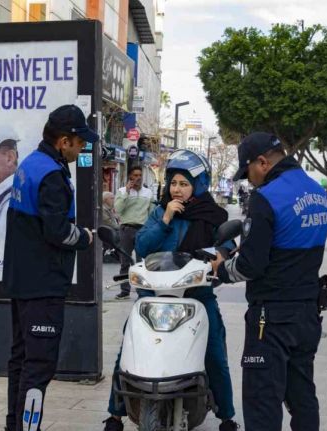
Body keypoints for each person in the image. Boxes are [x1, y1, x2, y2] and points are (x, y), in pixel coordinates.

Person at [103, 150, 239, 431]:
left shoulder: (213, 215)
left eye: (184, 184)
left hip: (195, 295)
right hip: (154, 295)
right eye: (173, 183)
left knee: (214, 351)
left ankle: (227, 415)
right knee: (127, 347)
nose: (177, 189)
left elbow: (225, 246)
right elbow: (143, 246)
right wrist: (165, 219)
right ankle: (115, 413)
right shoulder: (158, 211)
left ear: (198, 186)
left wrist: (220, 258)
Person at [211, 132, 327, 431]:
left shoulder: (266, 198)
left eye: (248, 172)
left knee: (262, 400)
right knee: (302, 395)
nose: (249, 181)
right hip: (307, 313)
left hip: (272, 318)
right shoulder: (317, 192)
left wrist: (221, 270)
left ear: (262, 162)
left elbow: (252, 265)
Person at [2, 105, 97, 431]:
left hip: (22, 281)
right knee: (39, 366)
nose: (82, 147)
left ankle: (14, 425)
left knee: (22, 360)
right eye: (80, 141)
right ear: (64, 141)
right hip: (43, 285)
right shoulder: (52, 175)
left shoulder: (32, 163)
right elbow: (57, 232)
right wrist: (85, 237)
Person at [114, 165, 155, 299]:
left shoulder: (148, 193)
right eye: (135, 175)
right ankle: (124, 291)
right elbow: (118, 209)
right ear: (130, 177)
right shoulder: (121, 191)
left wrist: (150, 229)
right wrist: (126, 191)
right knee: (124, 261)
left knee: (141, 262)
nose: (138, 178)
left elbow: (151, 213)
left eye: (139, 175)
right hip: (126, 229)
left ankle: (142, 290)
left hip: (142, 230)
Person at [101, 191, 121, 263]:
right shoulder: (103, 209)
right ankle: (118, 254)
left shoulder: (109, 209)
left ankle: (118, 254)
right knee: (123, 235)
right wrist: (121, 227)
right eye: (112, 198)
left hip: (111, 230)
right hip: (108, 231)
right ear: (106, 200)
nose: (114, 200)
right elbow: (109, 223)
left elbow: (113, 220)